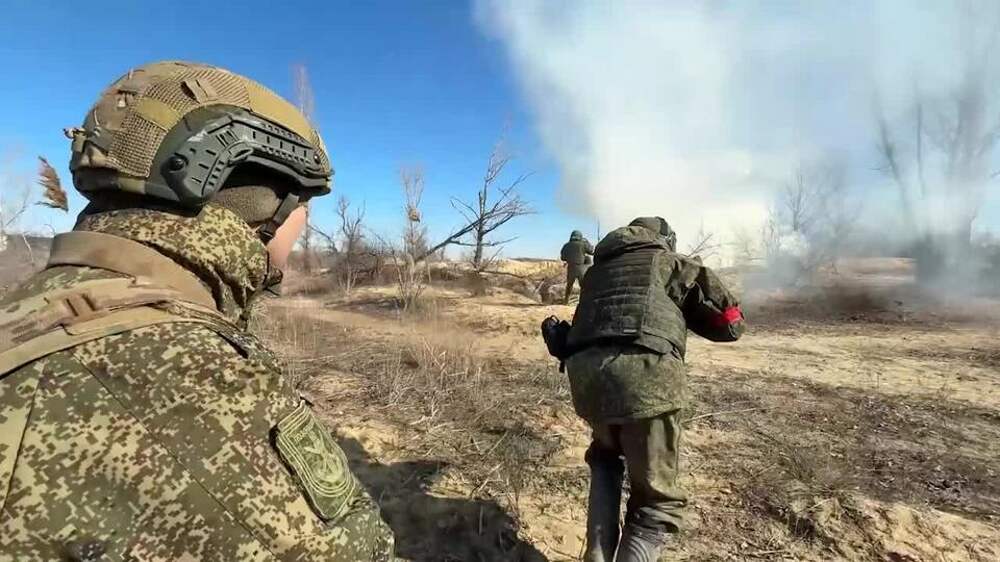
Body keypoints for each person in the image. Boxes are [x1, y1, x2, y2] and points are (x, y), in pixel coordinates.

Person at [0, 61, 394, 561]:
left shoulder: (33, 303)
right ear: (262, 204)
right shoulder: (185, 373)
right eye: (304, 206)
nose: (303, 227)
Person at [564, 217, 745, 562]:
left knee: (605, 461)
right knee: (655, 504)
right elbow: (731, 325)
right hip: (645, 382)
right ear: (665, 238)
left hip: (588, 383)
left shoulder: (598, 272)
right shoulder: (670, 263)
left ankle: (597, 555)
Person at [560, 229, 595, 304]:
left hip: (571, 268)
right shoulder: (583, 244)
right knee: (583, 286)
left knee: (569, 286)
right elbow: (592, 251)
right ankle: (584, 301)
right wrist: (587, 242)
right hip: (581, 268)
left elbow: (563, 258)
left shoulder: (566, 245)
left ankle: (566, 301)